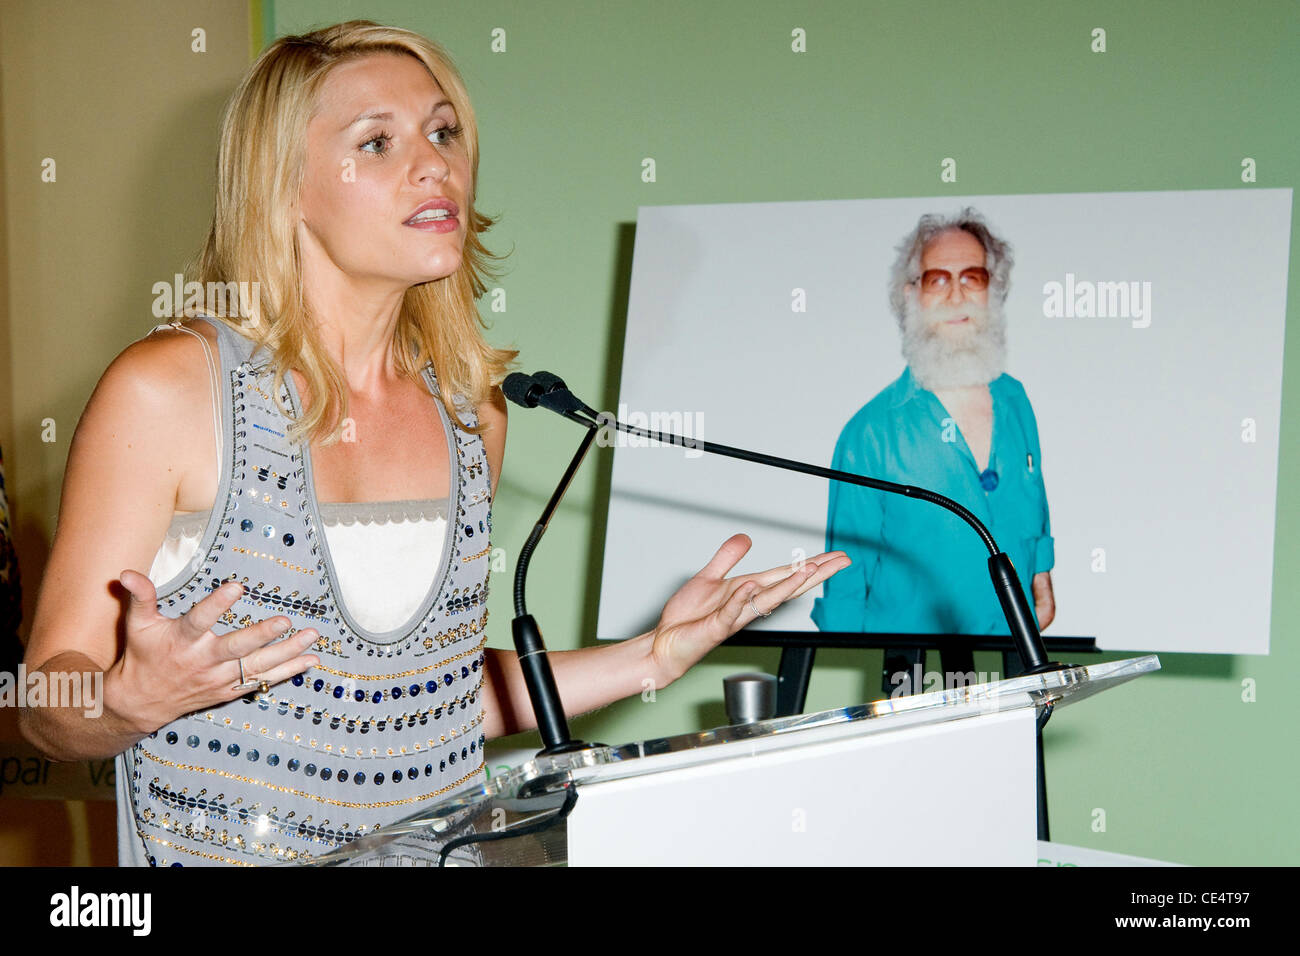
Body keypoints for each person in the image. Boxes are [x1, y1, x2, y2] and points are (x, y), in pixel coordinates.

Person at [18, 20, 849, 866]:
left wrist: (654, 658)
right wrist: (127, 701)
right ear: (284, 188)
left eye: (444, 131)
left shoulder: (472, 415)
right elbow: (45, 698)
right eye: (376, 142)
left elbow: (440, 702)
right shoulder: (169, 391)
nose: (434, 164)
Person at [811, 207, 1054, 647]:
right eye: (938, 279)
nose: (957, 295)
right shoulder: (870, 431)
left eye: (972, 278)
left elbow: (1033, 495)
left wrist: (1042, 574)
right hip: (912, 666)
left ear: (993, 291)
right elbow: (846, 565)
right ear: (911, 295)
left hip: (1013, 647)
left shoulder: (1016, 399)